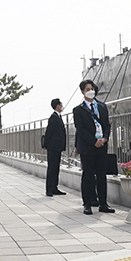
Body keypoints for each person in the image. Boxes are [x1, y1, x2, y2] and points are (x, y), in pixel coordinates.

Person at [73, 80, 115, 216]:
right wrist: (93, 141)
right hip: (88, 147)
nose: (91, 91)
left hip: (102, 146)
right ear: (82, 92)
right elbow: (80, 129)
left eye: (92, 88)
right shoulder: (78, 110)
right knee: (88, 176)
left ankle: (103, 203)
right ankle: (87, 203)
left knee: (102, 175)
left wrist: (105, 138)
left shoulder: (102, 106)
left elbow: (107, 125)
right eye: (88, 89)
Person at [44, 99, 68, 196]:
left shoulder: (58, 116)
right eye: (61, 104)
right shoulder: (53, 117)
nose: (62, 105)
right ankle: (49, 189)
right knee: (52, 168)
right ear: (57, 105)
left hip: (57, 147)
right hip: (53, 147)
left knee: (56, 167)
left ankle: (54, 187)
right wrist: (45, 145)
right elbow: (49, 131)